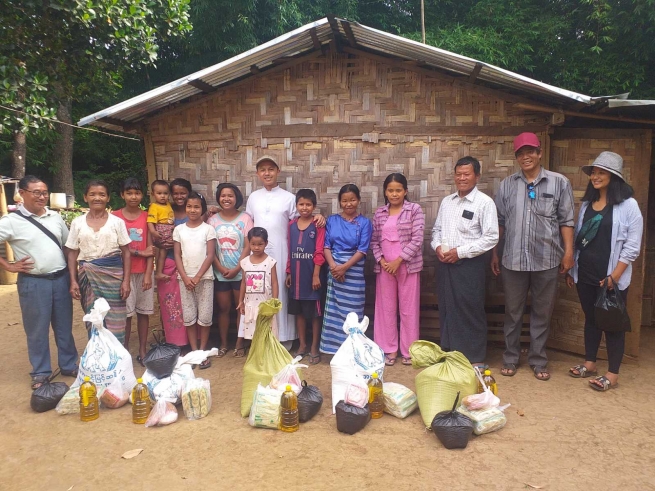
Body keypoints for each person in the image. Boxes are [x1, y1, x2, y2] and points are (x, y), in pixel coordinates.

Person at [491, 132, 575, 381]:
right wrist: (495, 252)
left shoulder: (559, 183)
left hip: (547, 259)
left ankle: (538, 360)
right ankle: (510, 357)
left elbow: (567, 220)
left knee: (542, 312)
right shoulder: (507, 185)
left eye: (530, 151)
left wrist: (569, 253)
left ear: (539, 153)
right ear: (516, 157)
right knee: (513, 312)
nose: (525, 156)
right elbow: (500, 222)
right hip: (513, 260)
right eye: (520, 153)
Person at [566, 152, 643, 391]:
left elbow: (632, 246)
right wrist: (572, 270)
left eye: (601, 172)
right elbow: (581, 239)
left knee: (612, 323)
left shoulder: (628, 206)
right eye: (593, 173)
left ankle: (612, 373)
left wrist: (615, 277)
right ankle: (590, 363)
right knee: (592, 319)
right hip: (585, 274)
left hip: (610, 277)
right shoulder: (588, 204)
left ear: (614, 176)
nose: (595, 177)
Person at [0, 175, 78, 390]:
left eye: (44, 192)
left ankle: (69, 365)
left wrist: (73, 278)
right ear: (22, 194)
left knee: (64, 327)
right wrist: (9, 266)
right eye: (36, 192)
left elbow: (68, 246)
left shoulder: (55, 217)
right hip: (33, 283)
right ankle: (41, 372)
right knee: (37, 330)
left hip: (60, 279)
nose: (42, 197)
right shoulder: (11, 222)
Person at [245, 155, 325, 349]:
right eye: (262, 169)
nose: (267, 173)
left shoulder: (289, 198)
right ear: (257, 173)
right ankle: (261, 337)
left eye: (271, 169)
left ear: (278, 171)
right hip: (257, 255)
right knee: (260, 292)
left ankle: (285, 338)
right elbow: (246, 222)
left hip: (282, 253)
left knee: (280, 291)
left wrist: (319, 216)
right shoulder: (253, 197)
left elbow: (301, 222)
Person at [430, 158, 498, 369]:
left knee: (471, 308)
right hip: (445, 264)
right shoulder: (447, 202)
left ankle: (475, 357)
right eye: (458, 174)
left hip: (470, 265)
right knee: (448, 307)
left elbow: (491, 237)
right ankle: (450, 352)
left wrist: (460, 253)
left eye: (466, 174)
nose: (462, 178)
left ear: (477, 176)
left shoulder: (484, 203)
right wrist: (438, 247)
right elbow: (436, 231)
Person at [67, 180, 132, 343]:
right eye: (92, 194)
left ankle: (116, 361)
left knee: (116, 320)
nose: (97, 198)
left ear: (108, 198)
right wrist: (73, 281)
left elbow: (126, 253)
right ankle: (97, 359)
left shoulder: (117, 222)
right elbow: (72, 253)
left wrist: (126, 282)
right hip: (87, 278)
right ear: (85, 197)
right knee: (94, 319)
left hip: (114, 279)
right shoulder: (77, 223)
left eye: (102, 194)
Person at [372, 173, 424, 366]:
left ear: (405, 191)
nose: (394, 194)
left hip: (408, 266)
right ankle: (389, 349)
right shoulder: (380, 213)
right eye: (390, 190)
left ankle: (409, 351)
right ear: (385, 192)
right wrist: (382, 260)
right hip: (385, 268)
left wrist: (399, 261)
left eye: (398, 190)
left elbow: (417, 239)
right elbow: (374, 240)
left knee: (408, 309)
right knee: (386, 309)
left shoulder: (414, 210)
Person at [320, 184, 373, 355]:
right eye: (344, 201)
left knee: (353, 311)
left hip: (354, 272)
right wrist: (334, 268)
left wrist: (344, 268)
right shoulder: (332, 220)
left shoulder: (364, 223)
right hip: (334, 270)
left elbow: (362, 250)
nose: (348, 204)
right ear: (339, 202)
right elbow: (326, 246)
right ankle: (333, 350)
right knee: (334, 312)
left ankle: (352, 350)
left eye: (352, 200)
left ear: (358, 200)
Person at [113, 177, 155, 366]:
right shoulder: (114, 218)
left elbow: (151, 248)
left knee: (143, 313)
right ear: (122, 195)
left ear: (142, 195)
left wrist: (148, 274)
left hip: (143, 272)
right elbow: (115, 247)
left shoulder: (147, 217)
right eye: (129, 193)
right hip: (123, 274)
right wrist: (139, 252)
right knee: (126, 315)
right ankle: (125, 351)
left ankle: (143, 350)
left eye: (137, 193)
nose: (133, 196)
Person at [208, 183, 253, 357]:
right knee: (223, 309)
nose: (226, 199)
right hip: (220, 273)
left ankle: (239, 343)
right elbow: (210, 248)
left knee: (240, 308)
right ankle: (224, 343)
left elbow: (248, 245)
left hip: (240, 273)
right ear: (219, 198)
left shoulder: (245, 219)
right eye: (223, 196)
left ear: (237, 199)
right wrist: (219, 267)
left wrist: (237, 268)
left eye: (230, 196)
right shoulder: (212, 221)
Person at [173, 192, 217, 368]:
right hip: (185, 280)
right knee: (189, 317)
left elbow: (210, 255)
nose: (192, 210)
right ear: (185, 208)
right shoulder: (179, 230)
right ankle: (193, 351)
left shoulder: (208, 229)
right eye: (189, 206)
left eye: (196, 206)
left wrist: (198, 276)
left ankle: (202, 352)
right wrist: (185, 277)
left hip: (205, 278)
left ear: (203, 209)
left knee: (205, 317)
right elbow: (177, 254)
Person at [285, 189, 326, 364]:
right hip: (296, 277)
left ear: (314, 206)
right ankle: (302, 345)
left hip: (312, 277)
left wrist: (316, 274)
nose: (304, 207)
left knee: (315, 314)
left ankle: (314, 346)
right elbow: (289, 249)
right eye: (301, 204)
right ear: (296, 206)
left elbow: (319, 251)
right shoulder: (291, 225)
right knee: (299, 313)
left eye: (308, 204)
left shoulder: (318, 225)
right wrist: (288, 271)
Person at [156, 178, 191, 347]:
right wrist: (161, 242)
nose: (179, 196)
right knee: (171, 305)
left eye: (183, 192)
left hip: (190, 264)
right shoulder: (164, 211)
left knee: (189, 304)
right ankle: (175, 343)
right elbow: (153, 235)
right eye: (175, 193)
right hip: (168, 263)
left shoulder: (195, 210)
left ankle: (193, 342)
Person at [237, 227, 279, 348]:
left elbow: (274, 282)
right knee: (252, 330)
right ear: (248, 243)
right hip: (250, 303)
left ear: (266, 243)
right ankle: (255, 352)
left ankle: (266, 353)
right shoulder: (245, 262)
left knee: (267, 329)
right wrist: (241, 301)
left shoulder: (271, 262)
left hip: (265, 303)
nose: (256, 247)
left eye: (260, 244)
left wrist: (274, 301)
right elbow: (243, 282)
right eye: (253, 244)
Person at [148, 179, 174, 286]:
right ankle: (158, 272)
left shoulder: (168, 204)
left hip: (170, 229)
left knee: (165, 252)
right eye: (159, 193)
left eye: (165, 193)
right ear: (153, 194)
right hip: (162, 231)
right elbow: (150, 221)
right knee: (162, 252)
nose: (162, 196)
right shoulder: (154, 207)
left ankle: (160, 271)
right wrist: (153, 232)